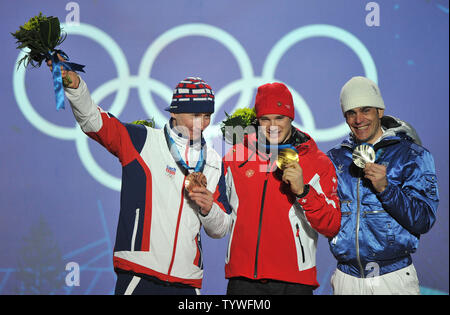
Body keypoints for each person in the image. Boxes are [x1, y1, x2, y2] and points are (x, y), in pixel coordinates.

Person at [47, 57, 229, 294]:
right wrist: (75, 86)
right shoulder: (143, 141)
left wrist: (209, 209)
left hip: (187, 281)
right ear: (175, 112)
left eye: (207, 116)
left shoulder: (214, 161)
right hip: (139, 274)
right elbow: (94, 121)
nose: (202, 123)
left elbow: (221, 228)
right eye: (195, 115)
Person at [200, 82, 341, 295]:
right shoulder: (235, 158)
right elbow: (220, 226)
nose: (272, 126)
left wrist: (303, 192)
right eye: (265, 119)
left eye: (279, 118)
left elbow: (332, 225)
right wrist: (208, 208)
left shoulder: (316, 161)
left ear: (291, 118)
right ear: (257, 120)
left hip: (294, 284)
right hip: (243, 282)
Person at [326, 76, 439, 295]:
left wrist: (386, 189)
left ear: (380, 111)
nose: (358, 119)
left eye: (365, 110)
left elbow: (424, 219)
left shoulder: (412, 156)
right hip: (346, 279)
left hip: (392, 278)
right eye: (351, 112)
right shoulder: (335, 158)